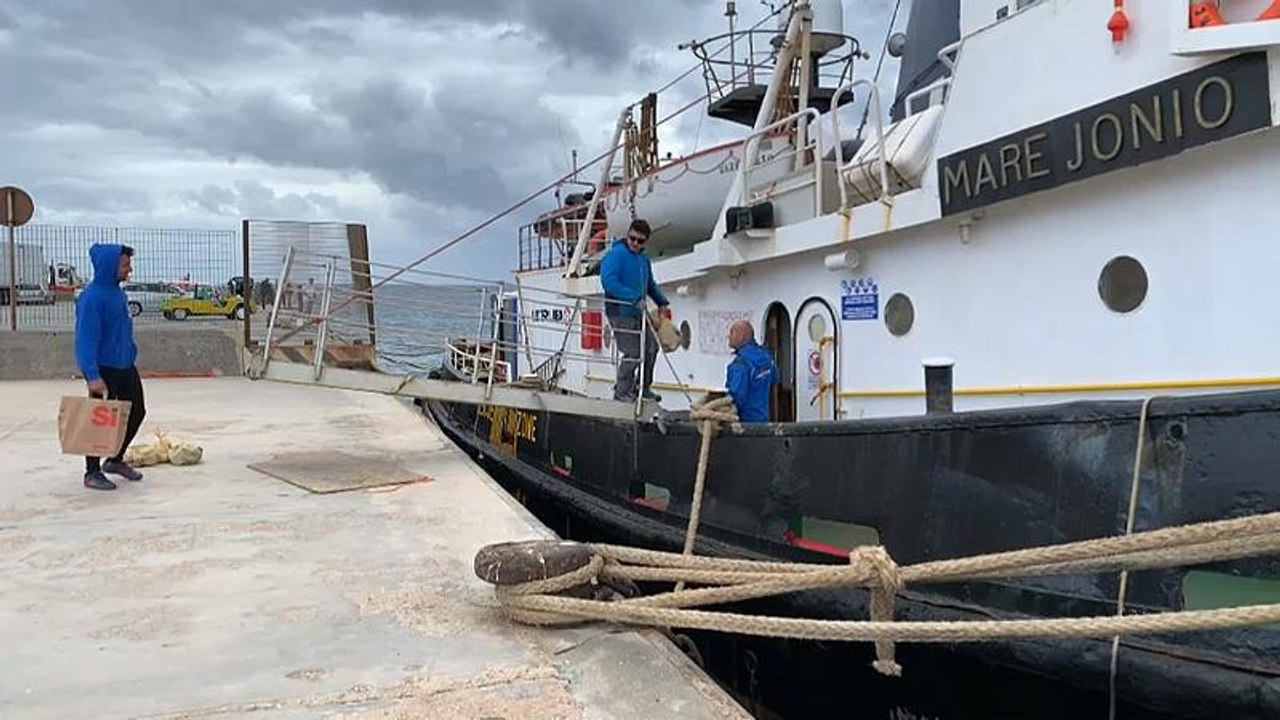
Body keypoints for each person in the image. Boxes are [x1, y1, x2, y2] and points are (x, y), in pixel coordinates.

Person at [75, 243, 147, 491]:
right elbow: (85, 340)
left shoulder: (118, 294)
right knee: (99, 421)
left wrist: (130, 353)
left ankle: (115, 460)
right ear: (110, 266)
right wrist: (92, 375)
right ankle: (91, 472)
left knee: (137, 412)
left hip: (125, 366)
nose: (129, 270)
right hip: (103, 370)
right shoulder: (92, 298)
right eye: (125, 265)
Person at [600, 218, 669, 401]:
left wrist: (661, 301)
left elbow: (649, 284)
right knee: (633, 352)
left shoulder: (643, 260)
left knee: (652, 348)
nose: (635, 243)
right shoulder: (616, 255)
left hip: (638, 312)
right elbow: (608, 281)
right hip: (620, 312)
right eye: (632, 238)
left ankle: (643, 388)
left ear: (645, 241)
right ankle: (622, 392)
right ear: (628, 235)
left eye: (640, 241)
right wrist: (633, 297)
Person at [726, 320, 779, 423]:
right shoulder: (767, 357)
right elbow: (774, 378)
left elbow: (737, 397)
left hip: (745, 424)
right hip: (763, 420)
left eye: (732, 333)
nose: (729, 337)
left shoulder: (739, 364)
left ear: (742, 336)